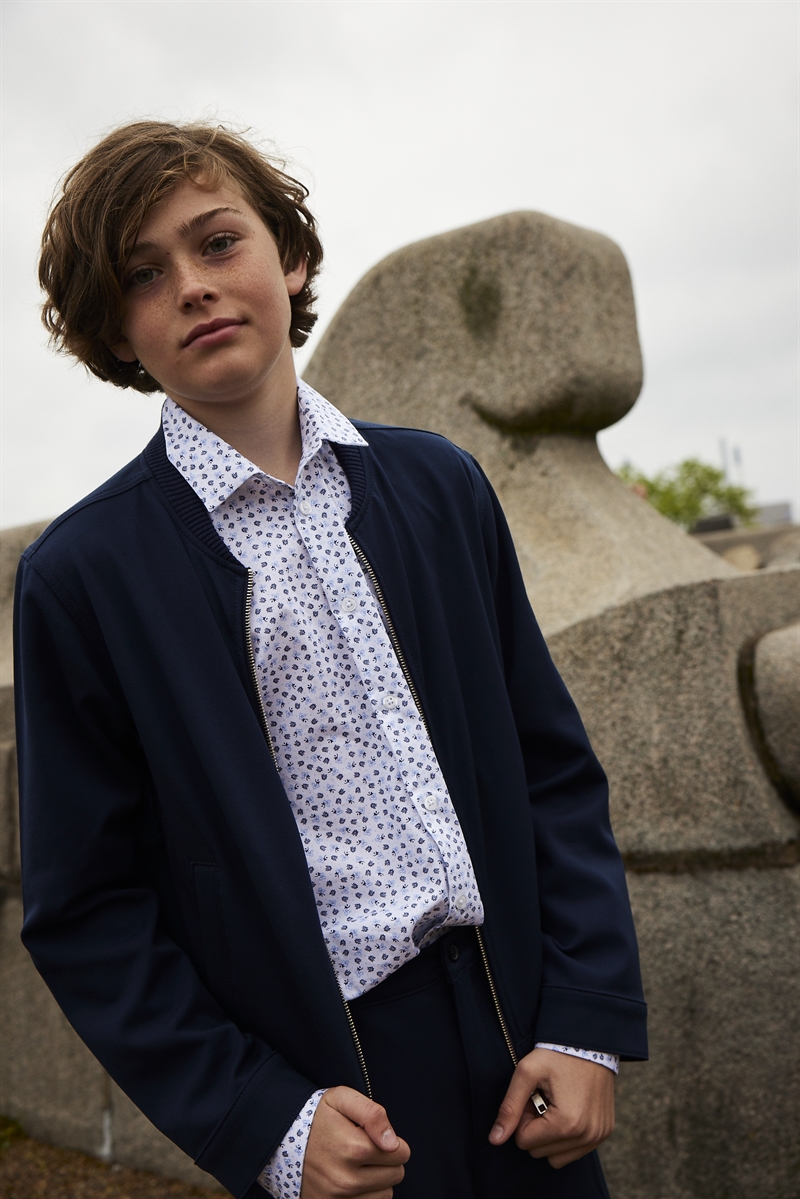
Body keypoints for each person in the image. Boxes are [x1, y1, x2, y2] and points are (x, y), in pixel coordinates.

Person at [15, 121, 647, 1199]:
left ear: (293, 257)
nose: (193, 286)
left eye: (218, 242)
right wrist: (263, 1116)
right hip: (328, 1080)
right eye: (142, 274)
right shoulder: (84, 575)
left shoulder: (440, 486)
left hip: (522, 1029)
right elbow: (87, 907)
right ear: (116, 330)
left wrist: (585, 1019)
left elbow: (549, 767)